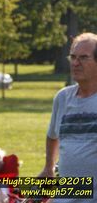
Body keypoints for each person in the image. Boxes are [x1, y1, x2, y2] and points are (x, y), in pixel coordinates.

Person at [38, 32, 97, 203]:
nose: (75, 63)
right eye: (73, 57)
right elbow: (52, 136)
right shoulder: (63, 97)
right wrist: (49, 167)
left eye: (84, 58)